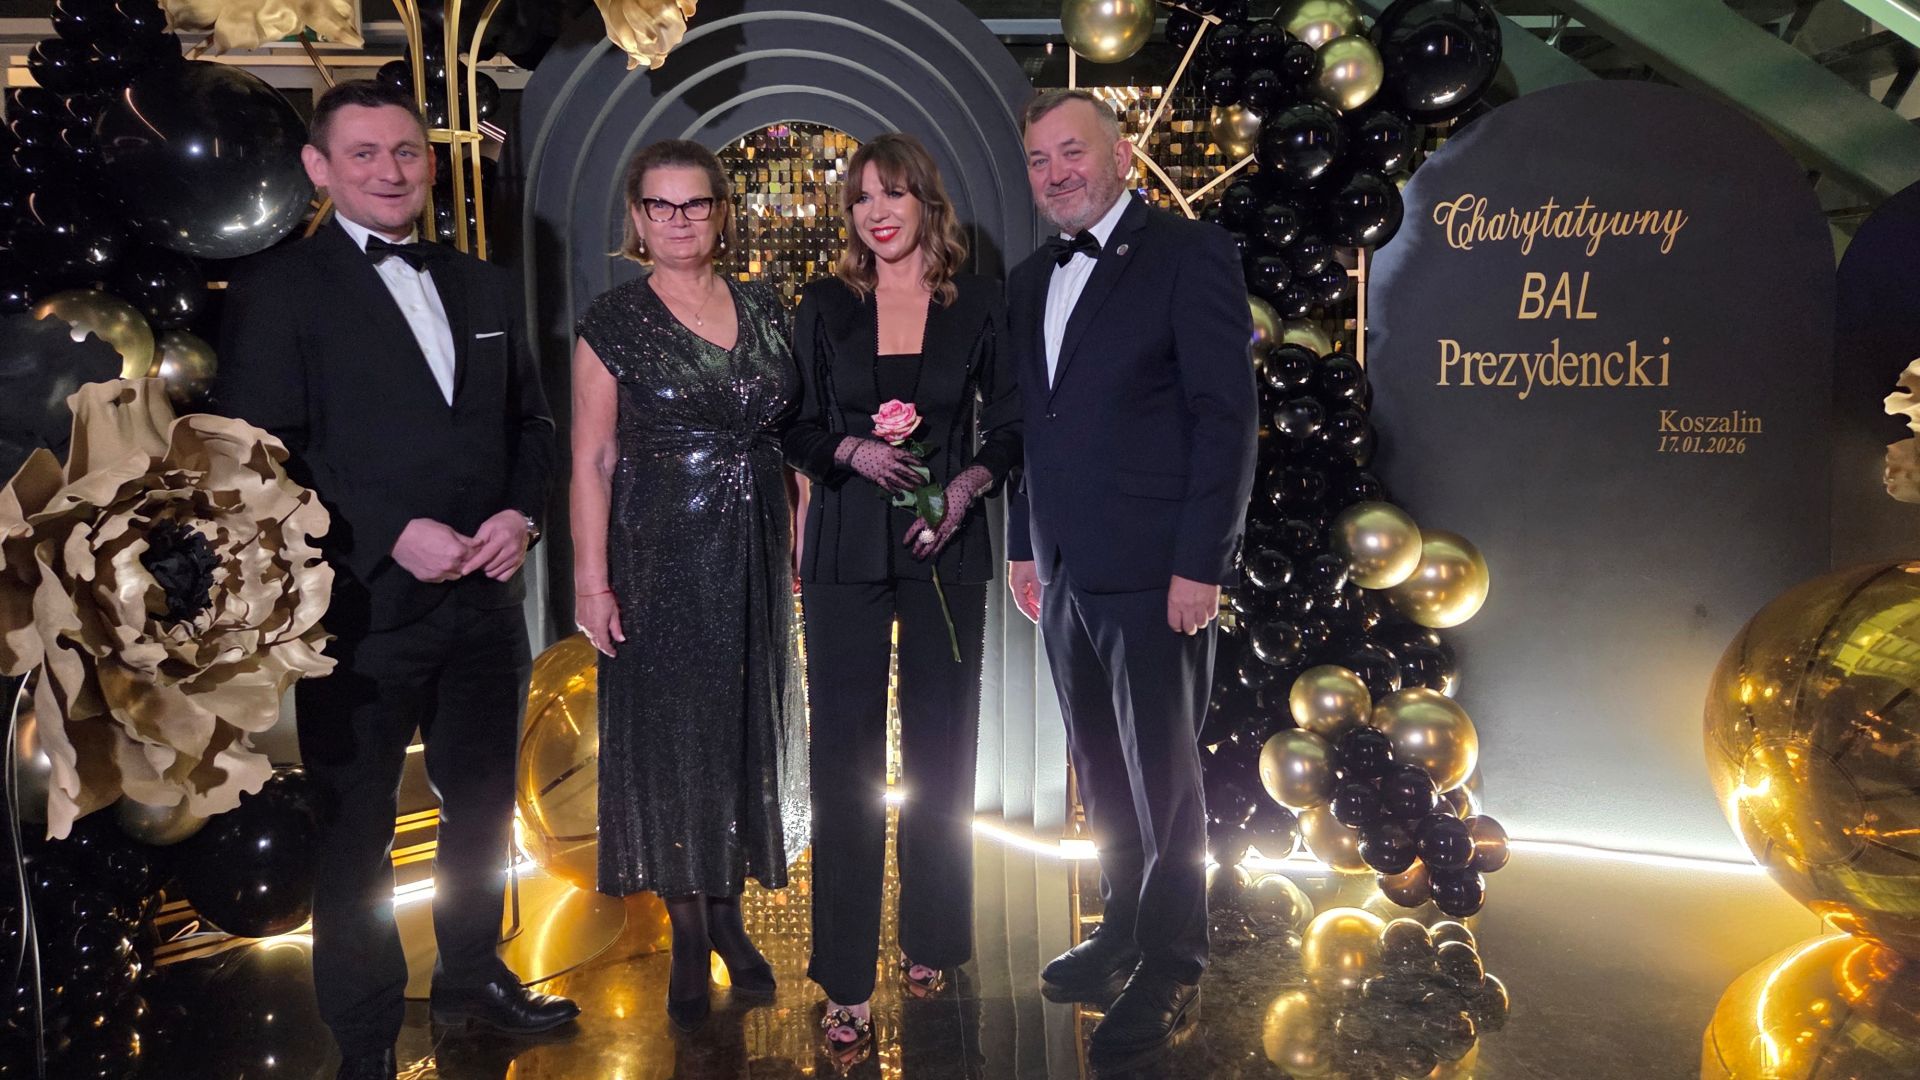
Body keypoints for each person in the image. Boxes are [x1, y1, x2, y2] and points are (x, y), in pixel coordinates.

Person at [217, 80, 577, 1080]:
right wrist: (385, 532)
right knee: (357, 831)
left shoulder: (483, 284)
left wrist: (522, 516)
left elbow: (533, 426)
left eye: (406, 152)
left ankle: (472, 977)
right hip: (360, 609)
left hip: (485, 605)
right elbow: (258, 453)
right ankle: (366, 1037)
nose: (391, 171)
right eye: (365, 154)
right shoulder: (280, 290)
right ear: (319, 169)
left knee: (482, 808)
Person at [1004, 90, 1258, 1065]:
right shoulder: (1031, 278)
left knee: (1164, 779)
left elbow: (1226, 417)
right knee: (1100, 766)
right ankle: (1119, 927)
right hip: (1065, 569)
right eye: (1039, 159)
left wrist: (1202, 563)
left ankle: (1172, 961)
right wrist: (1025, 546)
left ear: (1119, 155)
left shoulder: (1190, 254)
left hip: (1160, 570)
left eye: (1072, 151)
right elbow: (1031, 426)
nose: (1057, 173)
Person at [783, 133, 1021, 1062]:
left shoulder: (982, 306)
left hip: (945, 547)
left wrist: (963, 490)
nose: (876, 212)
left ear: (928, 201)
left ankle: (932, 939)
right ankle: (846, 979)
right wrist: (848, 450)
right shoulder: (823, 305)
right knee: (843, 762)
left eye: (893, 194)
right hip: (843, 546)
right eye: (860, 198)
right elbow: (792, 424)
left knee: (942, 751)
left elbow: (1010, 428)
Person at [570, 139, 808, 1033]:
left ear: (721, 211)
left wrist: (801, 538)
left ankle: (729, 916)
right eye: (661, 206)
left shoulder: (766, 307)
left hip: (754, 548)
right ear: (637, 217)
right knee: (674, 741)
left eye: (696, 204)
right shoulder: (614, 320)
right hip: (658, 553)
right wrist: (592, 583)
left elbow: (796, 434)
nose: (679, 221)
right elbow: (592, 459)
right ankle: (687, 930)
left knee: (740, 728)